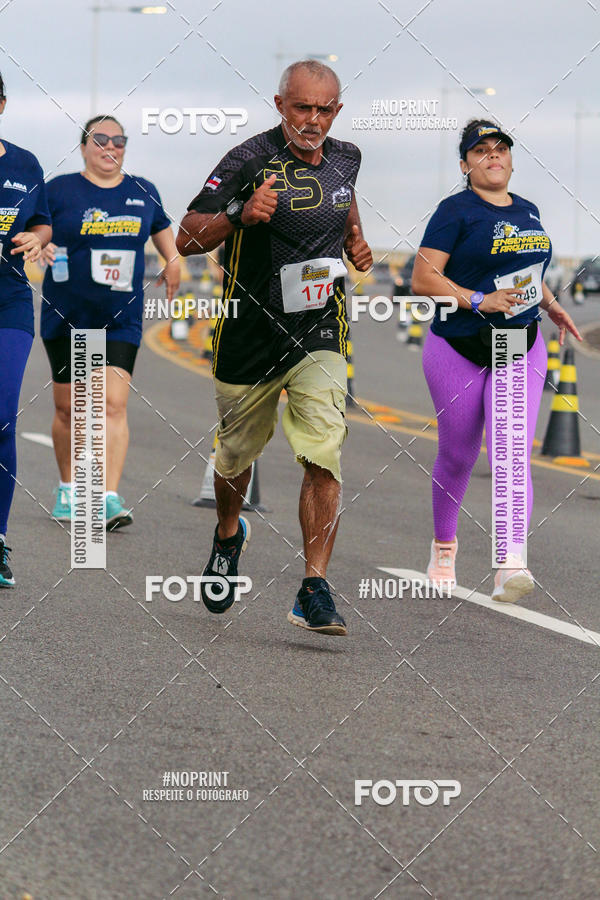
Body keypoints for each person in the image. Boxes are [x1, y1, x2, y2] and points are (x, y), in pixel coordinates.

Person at [177, 60, 372, 635]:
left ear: (337, 111)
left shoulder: (348, 157)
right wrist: (240, 214)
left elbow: (344, 202)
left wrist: (354, 241)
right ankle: (228, 534)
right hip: (249, 330)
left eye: (324, 109)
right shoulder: (246, 160)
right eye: (302, 107)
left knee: (324, 449)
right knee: (234, 457)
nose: (312, 120)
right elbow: (188, 235)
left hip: (319, 327)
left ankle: (313, 587)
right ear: (281, 104)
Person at [412, 119, 582, 603]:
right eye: (481, 150)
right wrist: (476, 298)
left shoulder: (528, 210)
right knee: (459, 454)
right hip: (458, 346)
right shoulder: (455, 211)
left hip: (517, 344)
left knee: (510, 452)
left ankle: (510, 563)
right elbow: (423, 279)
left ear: (510, 158)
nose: (493, 156)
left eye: (500, 149)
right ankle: (444, 547)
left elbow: (526, 272)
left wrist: (550, 304)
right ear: (465, 164)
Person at [41, 115, 180, 529]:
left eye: (118, 140)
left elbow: (163, 233)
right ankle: (69, 489)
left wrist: (173, 262)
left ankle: (107, 497)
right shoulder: (59, 190)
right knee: (69, 410)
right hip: (67, 315)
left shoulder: (143, 191)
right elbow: (37, 230)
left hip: (120, 318)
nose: (110, 147)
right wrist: (42, 247)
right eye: (100, 139)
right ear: (83, 146)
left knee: (112, 405)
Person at [0, 72, 52, 586]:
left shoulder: (23, 163)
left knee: (1, 420)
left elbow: (42, 222)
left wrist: (35, 240)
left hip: (8, 302)